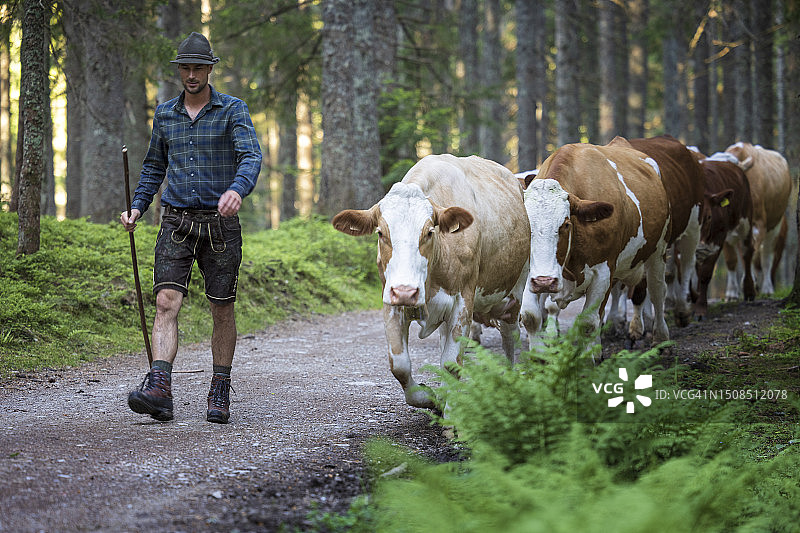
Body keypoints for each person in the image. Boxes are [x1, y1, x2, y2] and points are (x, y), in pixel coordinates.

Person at [120, 32, 262, 424]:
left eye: (199, 67)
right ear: (179, 70)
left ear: (210, 69)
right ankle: (160, 389)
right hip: (176, 222)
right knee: (166, 301)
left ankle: (219, 389)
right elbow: (152, 167)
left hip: (221, 226)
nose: (192, 74)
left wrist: (237, 189)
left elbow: (251, 156)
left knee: (222, 308)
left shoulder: (233, 110)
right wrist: (136, 207)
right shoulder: (165, 114)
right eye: (186, 67)